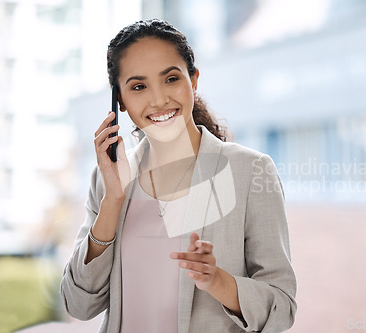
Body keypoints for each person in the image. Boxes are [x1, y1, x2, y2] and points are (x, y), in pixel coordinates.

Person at [60, 19, 296, 333]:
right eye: (139, 86)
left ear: (193, 80)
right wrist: (112, 202)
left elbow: (282, 309)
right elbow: (78, 304)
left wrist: (217, 281)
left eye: (171, 78)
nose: (159, 100)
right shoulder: (107, 179)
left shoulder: (249, 171)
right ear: (120, 101)